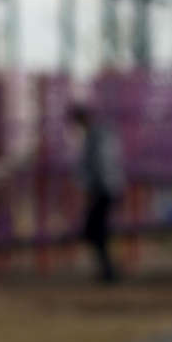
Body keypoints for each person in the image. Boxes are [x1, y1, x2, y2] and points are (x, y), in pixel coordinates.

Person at [68, 102, 124, 282]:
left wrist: (94, 187)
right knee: (96, 230)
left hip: (104, 189)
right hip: (107, 187)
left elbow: (101, 164)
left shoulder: (96, 135)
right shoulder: (100, 133)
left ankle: (109, 271)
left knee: (95, 230)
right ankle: (108, 270)